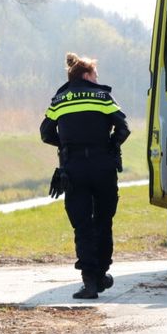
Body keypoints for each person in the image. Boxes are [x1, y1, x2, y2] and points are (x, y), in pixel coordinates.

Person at [40, 53, 130, 299]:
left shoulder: (60, 99)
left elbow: (45, 133)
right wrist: (110, 144)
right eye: (96, 75)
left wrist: (67, 145)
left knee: (82, 225)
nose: (98, 79)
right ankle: (101, 273)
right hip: (103, 166)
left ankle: (90, 282)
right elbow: (124, 128)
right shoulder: (102, 96)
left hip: (74, 168)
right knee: (103, 221)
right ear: (87, 76)